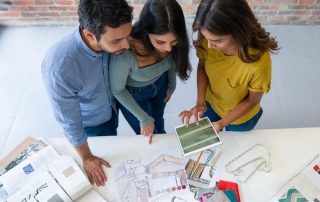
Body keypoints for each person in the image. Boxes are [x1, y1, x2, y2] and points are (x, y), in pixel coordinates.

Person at [41, 0, 132, 186]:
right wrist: (87, 157)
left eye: (128, 35)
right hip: (91, 123)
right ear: (90, 34)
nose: (127, 45)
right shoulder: (60, 67)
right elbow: (69, 121)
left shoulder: (117, 37)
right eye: (116, 41)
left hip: (111, 108)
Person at [180, 0, 279, 132]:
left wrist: (221, 124)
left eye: (217, 41)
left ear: (238, 32)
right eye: (205, 37)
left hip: (241, 118)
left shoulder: (259, 63)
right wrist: (200, 101)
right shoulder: (209, 39)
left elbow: (252, 101)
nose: (209, 46)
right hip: (211, 106)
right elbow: (202, 66)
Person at [109, 0, 191, 143]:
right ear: (146, 31)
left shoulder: (170, 45)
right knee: (152, 135)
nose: (169, 49)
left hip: (160, 85)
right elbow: (117, 90)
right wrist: (144, 118)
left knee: (158, 119)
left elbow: (171, 61)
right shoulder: (126, 50)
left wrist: (172, 85)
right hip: (134, 96)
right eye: (160, 42)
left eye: (174, 41)